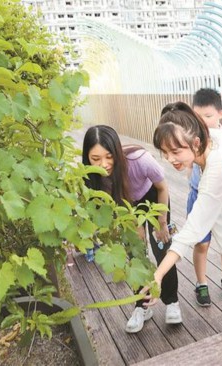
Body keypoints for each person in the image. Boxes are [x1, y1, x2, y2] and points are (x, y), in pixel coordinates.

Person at [145, 101, 222, 323]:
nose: (170, 159)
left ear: (195, 142)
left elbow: (193, 229)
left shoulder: (218, 167)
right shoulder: (214, 137)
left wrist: (158, 275)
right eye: (164, 152)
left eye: (175, 151)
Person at [82, 125, 182, 333]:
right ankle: (142, 306)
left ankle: (172, 302)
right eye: (95, 158)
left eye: (109, 156)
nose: (104, 164)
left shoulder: (139, 160)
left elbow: (163, 187)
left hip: (153, 199)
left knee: (162, 249)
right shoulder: (90, 177)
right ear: (87, 157)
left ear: (117, 151)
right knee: (135, 255)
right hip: (126, 206)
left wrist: (162, 223)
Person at [189, 88, 222, 306]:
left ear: (220, 114)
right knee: (201, 243)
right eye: (198, 117)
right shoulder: (192, 138)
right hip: (199, 194)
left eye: (208, 117)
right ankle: (201, 282)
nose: (204, 122)